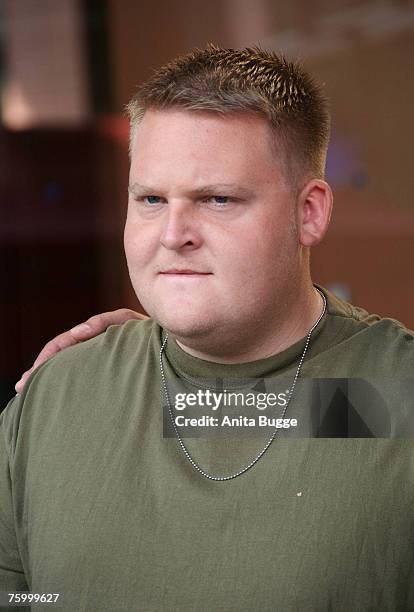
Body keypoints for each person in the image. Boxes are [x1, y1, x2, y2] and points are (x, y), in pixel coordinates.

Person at [2, 44, 414, 611]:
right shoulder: (56, 393)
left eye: (217, 199)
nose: (174, 233)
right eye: (150, 199)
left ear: (309, 213)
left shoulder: (397, 396)